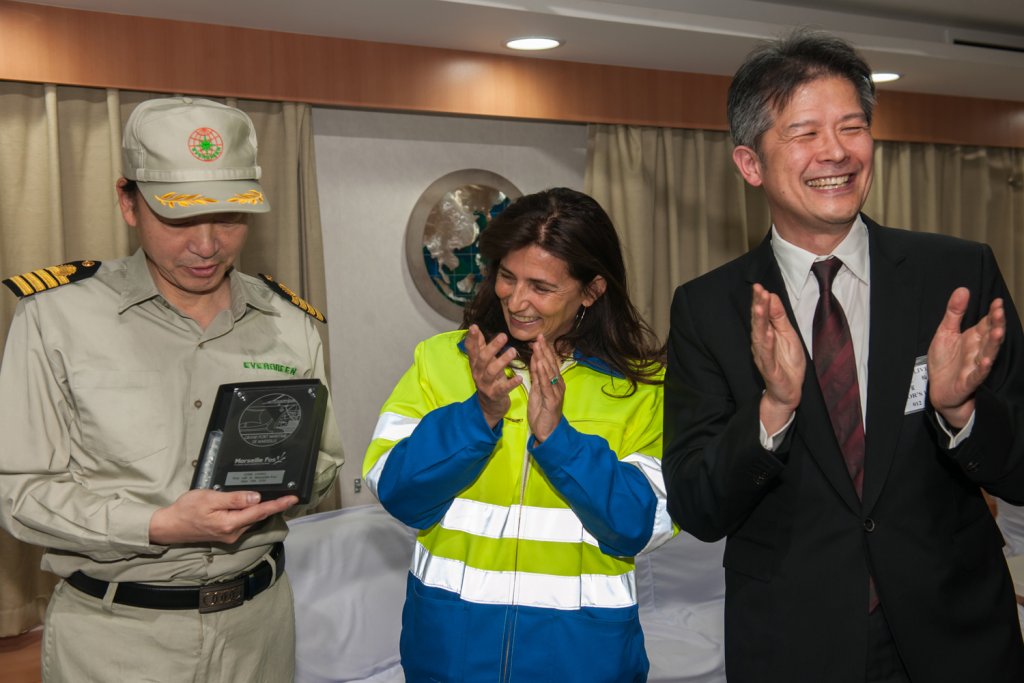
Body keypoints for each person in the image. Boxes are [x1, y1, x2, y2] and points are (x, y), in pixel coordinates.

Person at [662, 29, 1024, 683]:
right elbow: (696, 505)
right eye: (805, 134)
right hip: (795, 642)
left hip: (958, 635)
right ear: (751, 165)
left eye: (852, 127)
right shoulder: (707, 308)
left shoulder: (956, 274)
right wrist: (772, 410)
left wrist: (961, 411)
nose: (836, 152)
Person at [0, 97, 342, 683]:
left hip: (260, 629)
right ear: (127, 201)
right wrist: (159, 526)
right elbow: (21, 493)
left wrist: (275, 490)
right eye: (180, 219)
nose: (207, 246)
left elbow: (326, 458)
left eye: (230, 218)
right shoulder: (56, 319)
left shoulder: (290, 322)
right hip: (117, 640)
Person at [363, 187, 673, 682]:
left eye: (542, 287)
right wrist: (478, 414)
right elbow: (397, 492)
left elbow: (643, 524)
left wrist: (559, 441)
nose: (517, 300)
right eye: (507, 277)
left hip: (582, 662)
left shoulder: (640, 388)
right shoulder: (442, 360)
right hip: (451, 657)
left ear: (592, 291)